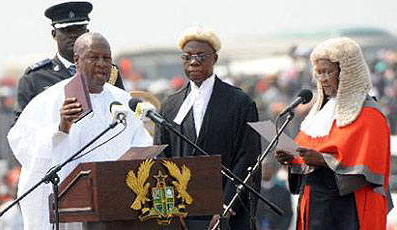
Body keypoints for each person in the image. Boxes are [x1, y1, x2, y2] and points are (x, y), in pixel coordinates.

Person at [8, 32, 152, 230]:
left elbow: (143, 145)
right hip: (68, 211)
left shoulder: (124, 101)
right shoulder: (50, 99)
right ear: (77, 60)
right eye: (94, 57)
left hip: (115, 209)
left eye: (106, 58)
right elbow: (21, 142)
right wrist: (61, 127)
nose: (102, 64)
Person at [275, 37, 393, 230]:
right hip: (314, 203)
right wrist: (292, 159)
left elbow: (369, 168)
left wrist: (322, 160)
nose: (321, 79)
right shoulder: (320, 112)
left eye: (327, 72)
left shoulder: (370, 114)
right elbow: (306, 153)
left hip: (346, 210)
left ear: (347, 71)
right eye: (318, 73)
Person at [154, 26, 262, 229]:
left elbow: (248, 156)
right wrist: (169, 209)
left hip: (226, 212)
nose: (194, 62)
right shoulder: (170, 105)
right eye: (187, 57)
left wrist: (227, 204)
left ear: (215, 58)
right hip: (183, 213)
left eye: (201, 56)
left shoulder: (240, 102)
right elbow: (161, 159)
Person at [15, 1, 124, 119]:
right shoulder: (35, 78)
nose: (73, 35)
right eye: (66, 30)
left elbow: (122, 111)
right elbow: (21, 129)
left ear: (87, 33)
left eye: (78, 29)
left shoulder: (106, 71)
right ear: (54, 34)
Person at [255, 160, 292, 230]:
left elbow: (288, 214)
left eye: (269, 167)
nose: (266, 170)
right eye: (264, 167)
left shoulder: (283, 192)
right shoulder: (253, 191)